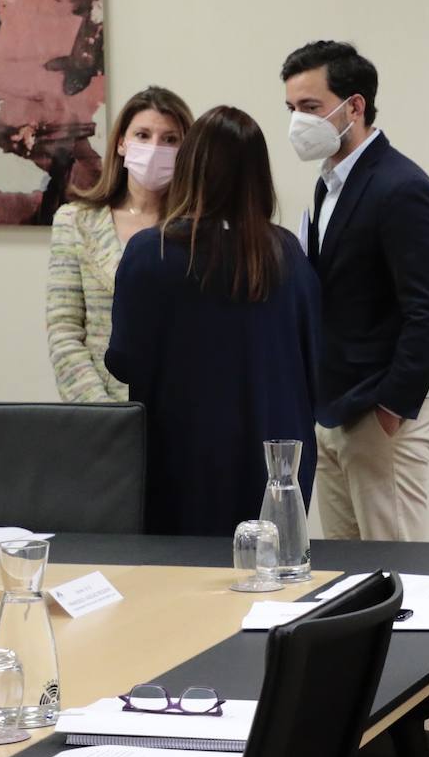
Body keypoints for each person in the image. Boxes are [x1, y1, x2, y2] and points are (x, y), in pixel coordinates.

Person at [106, 106, 321, 537]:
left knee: (181, 587)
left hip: (179, 457)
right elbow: (314, 362)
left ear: (188, 167)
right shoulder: (286, 254)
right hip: (275, 460)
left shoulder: (152, 252)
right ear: (260, 174)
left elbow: (124, 360)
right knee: (271, 587)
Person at [281, 41, 429, 542]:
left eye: (310, 107)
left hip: (382, 416)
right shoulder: (326, 186)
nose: (298, 121)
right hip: (334, 413)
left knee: (398, 582)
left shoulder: (401, 186)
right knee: (346, 579)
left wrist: (392, 407)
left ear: (354, 106)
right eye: (292, 109)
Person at [46, 86, 193, 402]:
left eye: (170, 139)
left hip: (184, 414)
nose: (155, 148)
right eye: (143, 135)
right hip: (101, 414)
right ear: (122, 143)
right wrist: (101, 412)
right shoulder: (76, 221)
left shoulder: (199, 231)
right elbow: (64, 331)